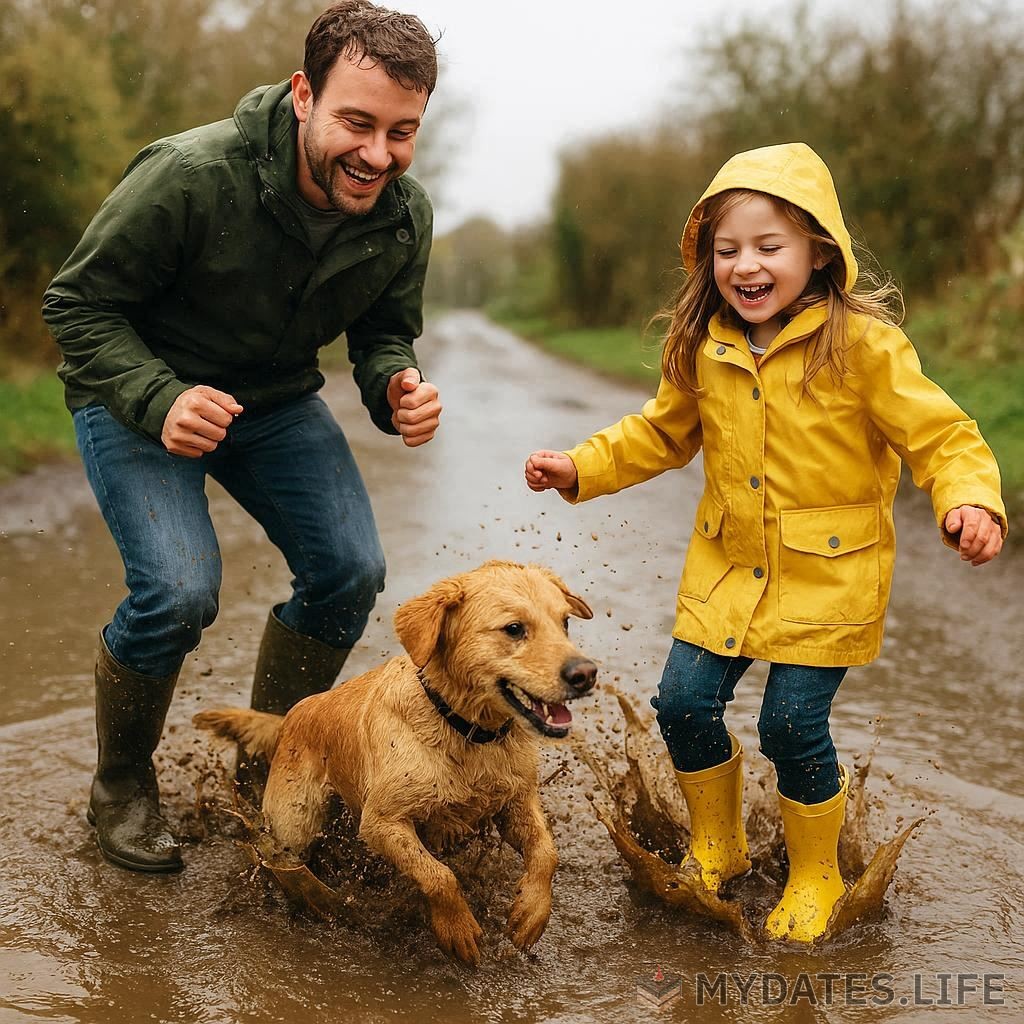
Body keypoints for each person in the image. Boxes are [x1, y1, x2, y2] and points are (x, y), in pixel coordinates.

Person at [525, 143, 1006, 943]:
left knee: (789, 725)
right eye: (727, 250)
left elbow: (943, 435)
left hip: (829, 576)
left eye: (768, 246)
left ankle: (818, 872)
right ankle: (720, 842)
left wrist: (969, 500)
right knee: (682, 704)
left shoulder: (862, 346)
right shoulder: (708, 346)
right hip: (728, 569)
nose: (745, 265)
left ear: (819, 251)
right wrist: (582, 467)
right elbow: (659, 433)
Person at [42, 0, 442, 874]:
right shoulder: (189, 173)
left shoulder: (403, 217)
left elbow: (383, 333)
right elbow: (77, 305)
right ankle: (121, 786)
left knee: (349, 571)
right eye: (358, 123)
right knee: (179, 592)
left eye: (402, 132)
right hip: (139, 394)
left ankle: (271, 766)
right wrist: (161, 398)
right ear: (303, 95)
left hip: (273, 402)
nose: (378, 155)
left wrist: (394, 385)